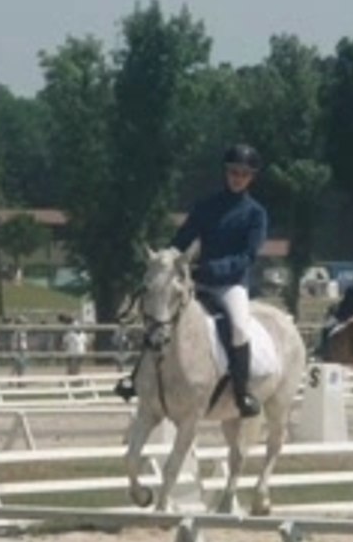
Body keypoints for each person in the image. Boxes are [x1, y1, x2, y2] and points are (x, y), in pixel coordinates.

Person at [114, 143, 268, 418]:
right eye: (234, 172)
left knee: (240, 329)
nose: (238, 177)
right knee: (161, 316)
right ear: (226, 172)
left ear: (251, 177)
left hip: (231, 284)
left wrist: (214, 269)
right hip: (196, 279)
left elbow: (247, 256)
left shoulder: (255, 214)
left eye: (244, 173)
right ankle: (136, 378)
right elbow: (181, 240)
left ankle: (242, 392)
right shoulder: (206, 206)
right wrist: (167, 259)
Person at [315, 269, 353, 358]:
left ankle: (323, 351)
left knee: (325, 329)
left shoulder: (350, 290)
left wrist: (336, 310)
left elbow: (344, 305)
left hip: (345, 317)